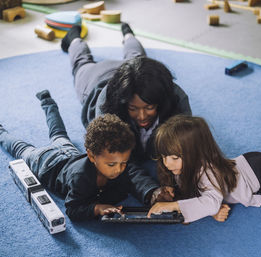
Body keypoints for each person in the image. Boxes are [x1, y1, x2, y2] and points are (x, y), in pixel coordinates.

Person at [0, 90, 174, 221]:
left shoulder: (116, 164)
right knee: (21, 148)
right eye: (112, 165)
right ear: (92, 156)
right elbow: (72, 209)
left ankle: (47, 102)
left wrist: (153, 193)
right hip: (46, 162)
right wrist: (95, 208)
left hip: (69, 153)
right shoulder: (81, 179)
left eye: (123, 163)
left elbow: (130, 179)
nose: (119, 170)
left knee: (59, 133)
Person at [147, 115, 261, 236]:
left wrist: (175, 205)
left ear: (196, 154)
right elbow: (204, 198)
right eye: (164, 156)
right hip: (247, 161)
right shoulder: (184, 167)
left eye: (174, 158)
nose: (167, 163)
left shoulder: (207, 172)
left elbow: (210, 201)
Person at [61, 22, 192, 163]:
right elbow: (116, 161)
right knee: (81, 63)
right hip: (97, 76)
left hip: (132, 69)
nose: (142, 116)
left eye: (149, 107)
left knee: (136, 56)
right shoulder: (106, 111)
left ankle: (128, 34)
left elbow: (188, 147)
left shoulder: (177, 99)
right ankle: (74, 38)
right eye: (133, 108)